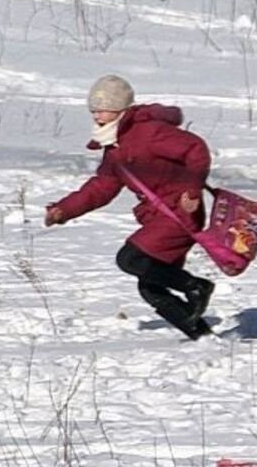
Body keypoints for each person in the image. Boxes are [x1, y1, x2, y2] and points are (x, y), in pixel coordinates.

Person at [45, 74, 215, 340]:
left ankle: (197, 286)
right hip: (159, 215)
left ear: (120, 108)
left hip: (179, 211)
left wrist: (192, 190)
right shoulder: (114, 144)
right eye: (94, 109)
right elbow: (103, 186)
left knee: (130, 259)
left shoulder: (147, 132)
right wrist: (64, 210)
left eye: (103, 108)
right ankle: (203, 337)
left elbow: (195, 149)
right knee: (151, 288)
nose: (97, 115)